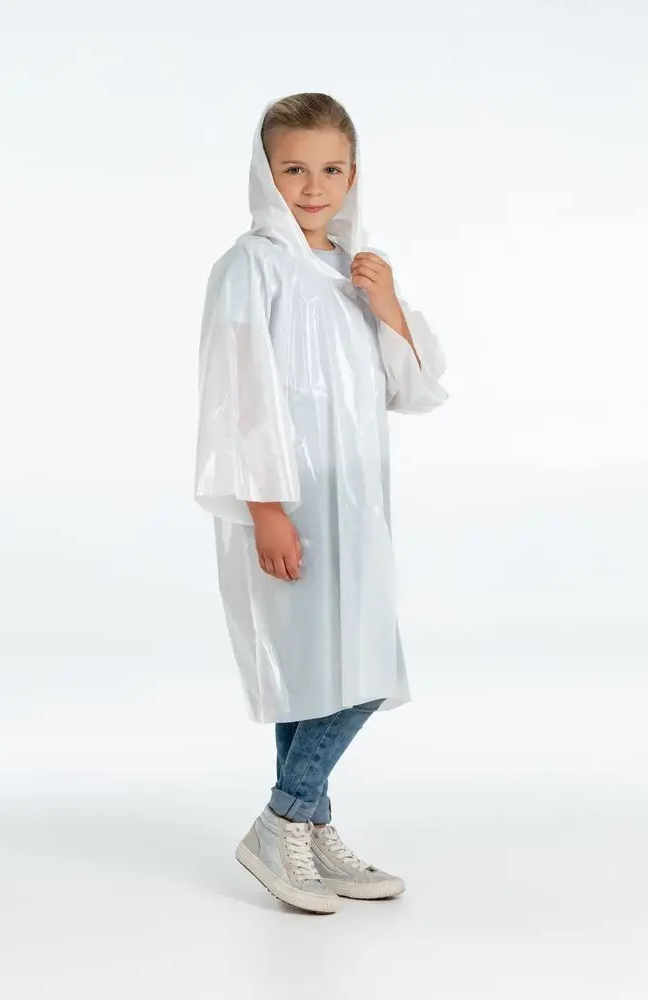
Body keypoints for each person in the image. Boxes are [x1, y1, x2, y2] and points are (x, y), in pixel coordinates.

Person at [194, 92, 449, 914]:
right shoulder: (253, 265)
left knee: (332, 669)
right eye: (293, 169)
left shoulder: (356, 268)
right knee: (333, 668)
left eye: (331, 169)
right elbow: (239, 392)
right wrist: (264, 507)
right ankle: (282, 819)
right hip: (293, 501)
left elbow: (412, 390)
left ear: (353, 173)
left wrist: (386, 305)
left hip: (358, 502)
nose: (313, 187)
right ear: (264, 172)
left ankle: (305, 826)